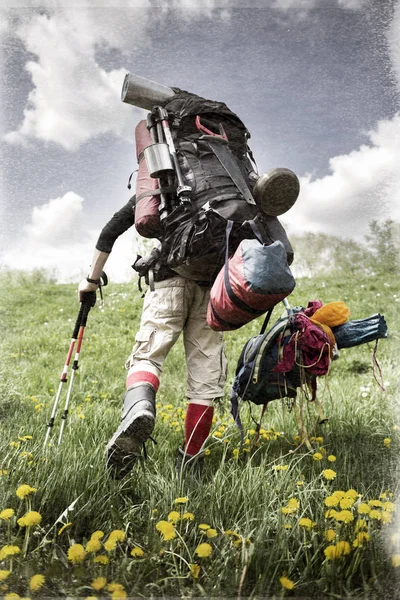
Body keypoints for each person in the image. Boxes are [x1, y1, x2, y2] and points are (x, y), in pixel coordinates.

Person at [78, 195, 227, 478]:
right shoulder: (227, 183)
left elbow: (111, 229)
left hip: (168, 278)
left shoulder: (166, 179)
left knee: (149, 355)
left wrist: (91, 280)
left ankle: (140, 406)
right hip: (214, 289)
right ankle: (191, 464)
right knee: (205, 376)